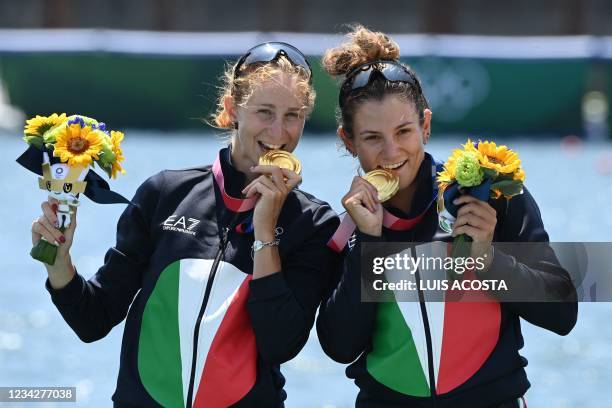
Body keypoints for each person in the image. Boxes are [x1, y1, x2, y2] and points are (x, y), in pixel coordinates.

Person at [31, 42, 340, 407]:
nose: (279, 131)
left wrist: (266, 229)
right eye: (265, 112)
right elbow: (94, 320)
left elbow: (280, 344)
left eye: (293, 115)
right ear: (232, 109)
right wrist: (59, 264)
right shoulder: (165, 193)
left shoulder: (314, 223)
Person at [316, 26, 577, 408]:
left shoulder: (489, 195)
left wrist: (489, 259)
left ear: (426, 125)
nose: (391, 152)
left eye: (404, 131)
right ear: (348, 141)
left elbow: (563, 314)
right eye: (372, 138)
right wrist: (369, 244)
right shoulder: (348, 229)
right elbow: (340, 347)